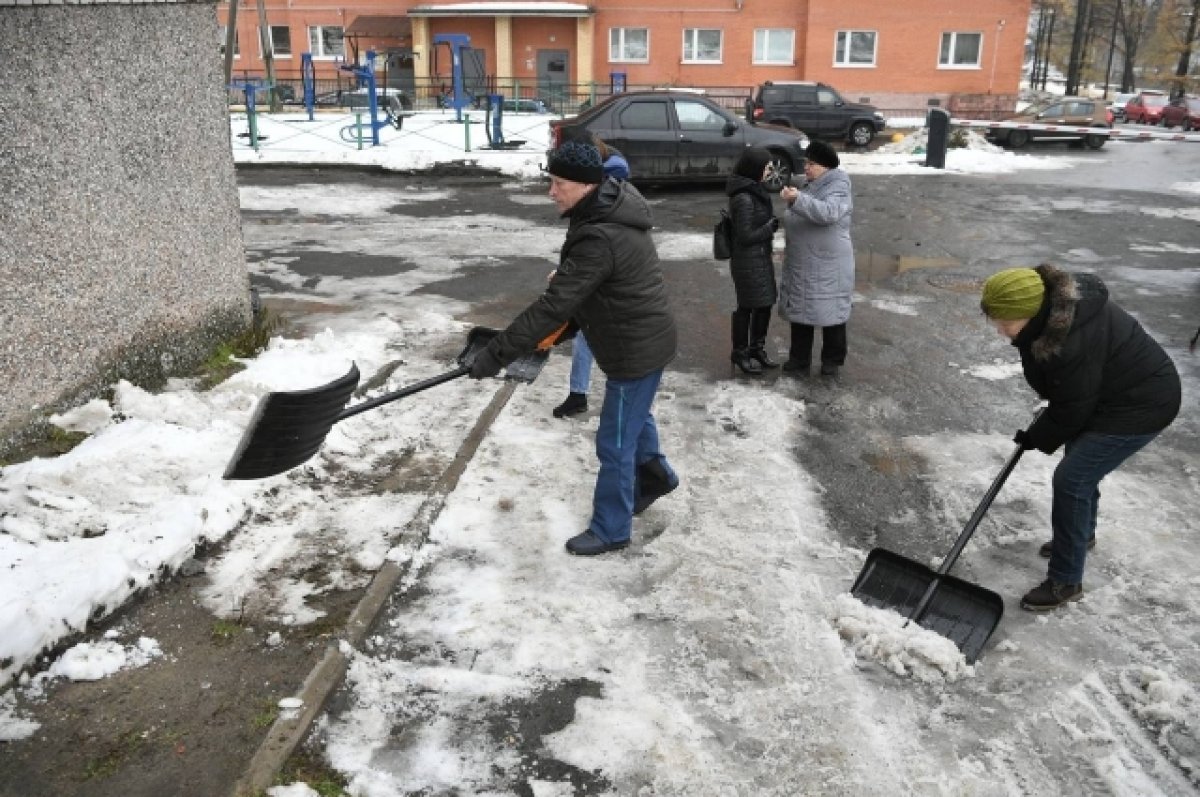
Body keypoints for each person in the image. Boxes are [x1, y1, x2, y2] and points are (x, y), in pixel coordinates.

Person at [469, 138, 679, 556]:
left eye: (559, 183)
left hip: (633, 349)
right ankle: (657, 475)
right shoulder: (605, 206)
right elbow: (587, 293)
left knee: (615, 442)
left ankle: (611, 529)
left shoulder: (600, 233)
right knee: (634, 419)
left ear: (585, 184)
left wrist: (494, 354)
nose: (551, 191)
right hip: (637, 338)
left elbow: (554, 306)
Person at [980, 264, 1181, 611]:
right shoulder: (1050, 320)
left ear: (1031, 312)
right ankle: (1080, 536)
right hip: (1111, 395)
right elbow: (1068, 397)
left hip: (1141, 406)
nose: (999, 330)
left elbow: (1072, 407)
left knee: (1073, 478)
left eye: (1004, 322)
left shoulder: (1069, 341)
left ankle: (1065, 581)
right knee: (1079, 461)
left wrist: (1036, 436)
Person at [551, 131, 631, 418]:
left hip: (609, 284)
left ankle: (580, 394)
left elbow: (598, 240)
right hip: (600, 275)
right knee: (587, 336)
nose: (553, 191)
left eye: (560, 183)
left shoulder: (607, 177)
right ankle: (578, 394)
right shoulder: (601, 177)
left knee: (608, 348)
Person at [778, 140, 854, 377]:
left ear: (827, 167)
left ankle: (832, 360)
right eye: (806, 163)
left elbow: (828, 213)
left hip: (828, 265)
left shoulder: (838, 186)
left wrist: (797, 199)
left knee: (831, 312)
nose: (806, 168)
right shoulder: (810, 185)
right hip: (804, 262)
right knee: (801, 311)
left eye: (812, 164)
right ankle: (799, 359)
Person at [725, 147, 780, 376]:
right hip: (747, 261)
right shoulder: (744, 198)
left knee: (765, 304)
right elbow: (745, 236)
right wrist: (769, 228)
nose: (770, 171)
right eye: (767, 167)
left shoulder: (754, 190)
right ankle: (740, 352)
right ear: (755, 168)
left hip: (760, 258)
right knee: (747, 307)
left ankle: (757, 348)